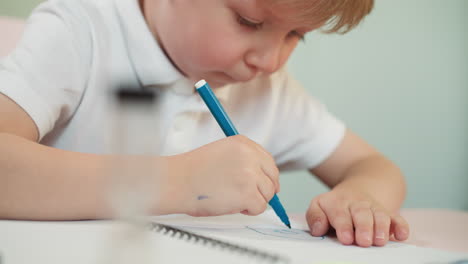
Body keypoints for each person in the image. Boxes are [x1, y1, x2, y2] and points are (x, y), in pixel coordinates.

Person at [0, 0, 409, 247]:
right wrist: (180, 182)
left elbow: (374, 167)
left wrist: (362, 197)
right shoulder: (81, 29)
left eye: (296, 36)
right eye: (249, 21)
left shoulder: (269, 90)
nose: (269, 61)